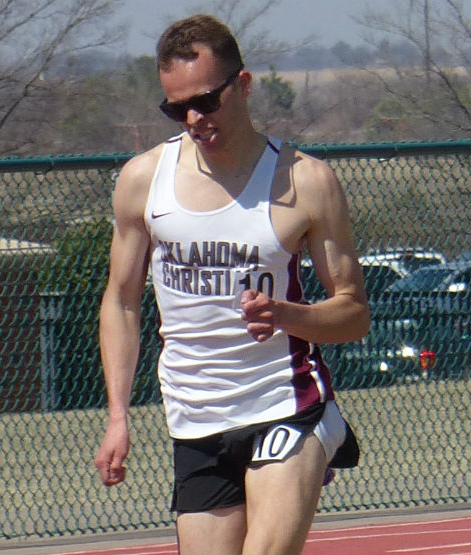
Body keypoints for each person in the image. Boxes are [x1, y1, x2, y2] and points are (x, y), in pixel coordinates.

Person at [93, 14, 369, 555]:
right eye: (177, 108)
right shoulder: (143, 180)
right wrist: (117, 417)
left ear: (242, 85)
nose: (194, 119)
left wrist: (285, 315)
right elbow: (122, 302)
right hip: (196, 417)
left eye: (206, 101)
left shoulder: (305, 181)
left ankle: (323, 435)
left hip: (285, 402)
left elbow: (353, 313)